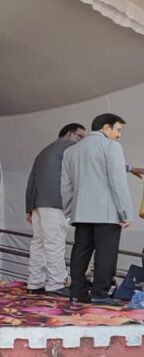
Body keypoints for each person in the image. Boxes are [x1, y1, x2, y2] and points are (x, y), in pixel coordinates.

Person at [62, 114, 131, 306]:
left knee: (80, 251)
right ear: (106, 127)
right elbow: (117, 182)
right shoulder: (111, 147)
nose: (119, 135)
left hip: (80, 212)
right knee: (106, 254)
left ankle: (77, 292)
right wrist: (124, 212)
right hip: (107, 212)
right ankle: (100, 293)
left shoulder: (71, 151)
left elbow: (65, 185)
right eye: (117, 130)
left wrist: (69, 210)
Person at [25, 123, 85, 297]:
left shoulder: (44, 152)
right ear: (69, 134)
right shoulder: (70, 149)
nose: (82, 141)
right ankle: (56, 284)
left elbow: (31, 180)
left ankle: (34, 283)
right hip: (56, 203)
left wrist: (29, 207)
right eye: (80, 137)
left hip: (38, 203)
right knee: (55, 244)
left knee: (38, 244)